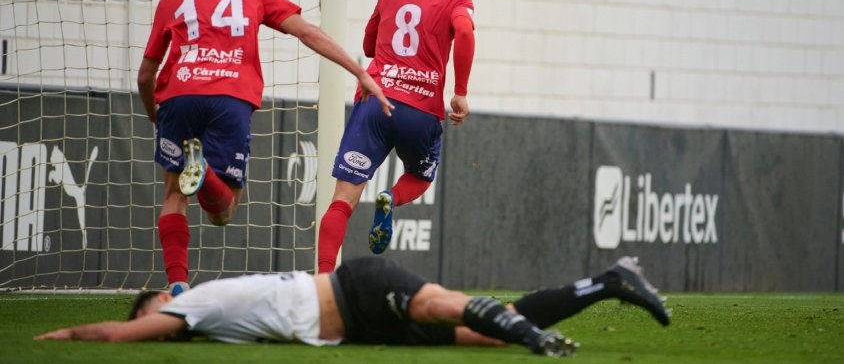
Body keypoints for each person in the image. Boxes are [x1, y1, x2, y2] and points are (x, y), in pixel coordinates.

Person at [137, 0, 393, 295]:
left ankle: (177, 283)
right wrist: (360, 72)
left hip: (179, 95)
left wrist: (153, 112)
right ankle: (205, 171)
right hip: (230, 96)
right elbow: (308, 33)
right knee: (222, 212)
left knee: (174, 194)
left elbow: (146, 74)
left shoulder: (171, 0)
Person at [35, 256, 670, 358]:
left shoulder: (190, 302)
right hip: (362, 326)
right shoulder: (200, 321)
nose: (155, 319)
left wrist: (65, 334)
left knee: (442, 305)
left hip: (353, 287)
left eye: (153, 309)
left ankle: (537, 338)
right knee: (485, 328)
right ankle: (609, 283)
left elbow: (122, 336)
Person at [317, 0, 475, 272]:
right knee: (420, 177)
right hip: (420, 110)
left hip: (377, 100)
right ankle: (391, 196)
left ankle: (323, 282)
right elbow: (464, 31)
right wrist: (460, 92)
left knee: (342, 201)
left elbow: (369, 47)